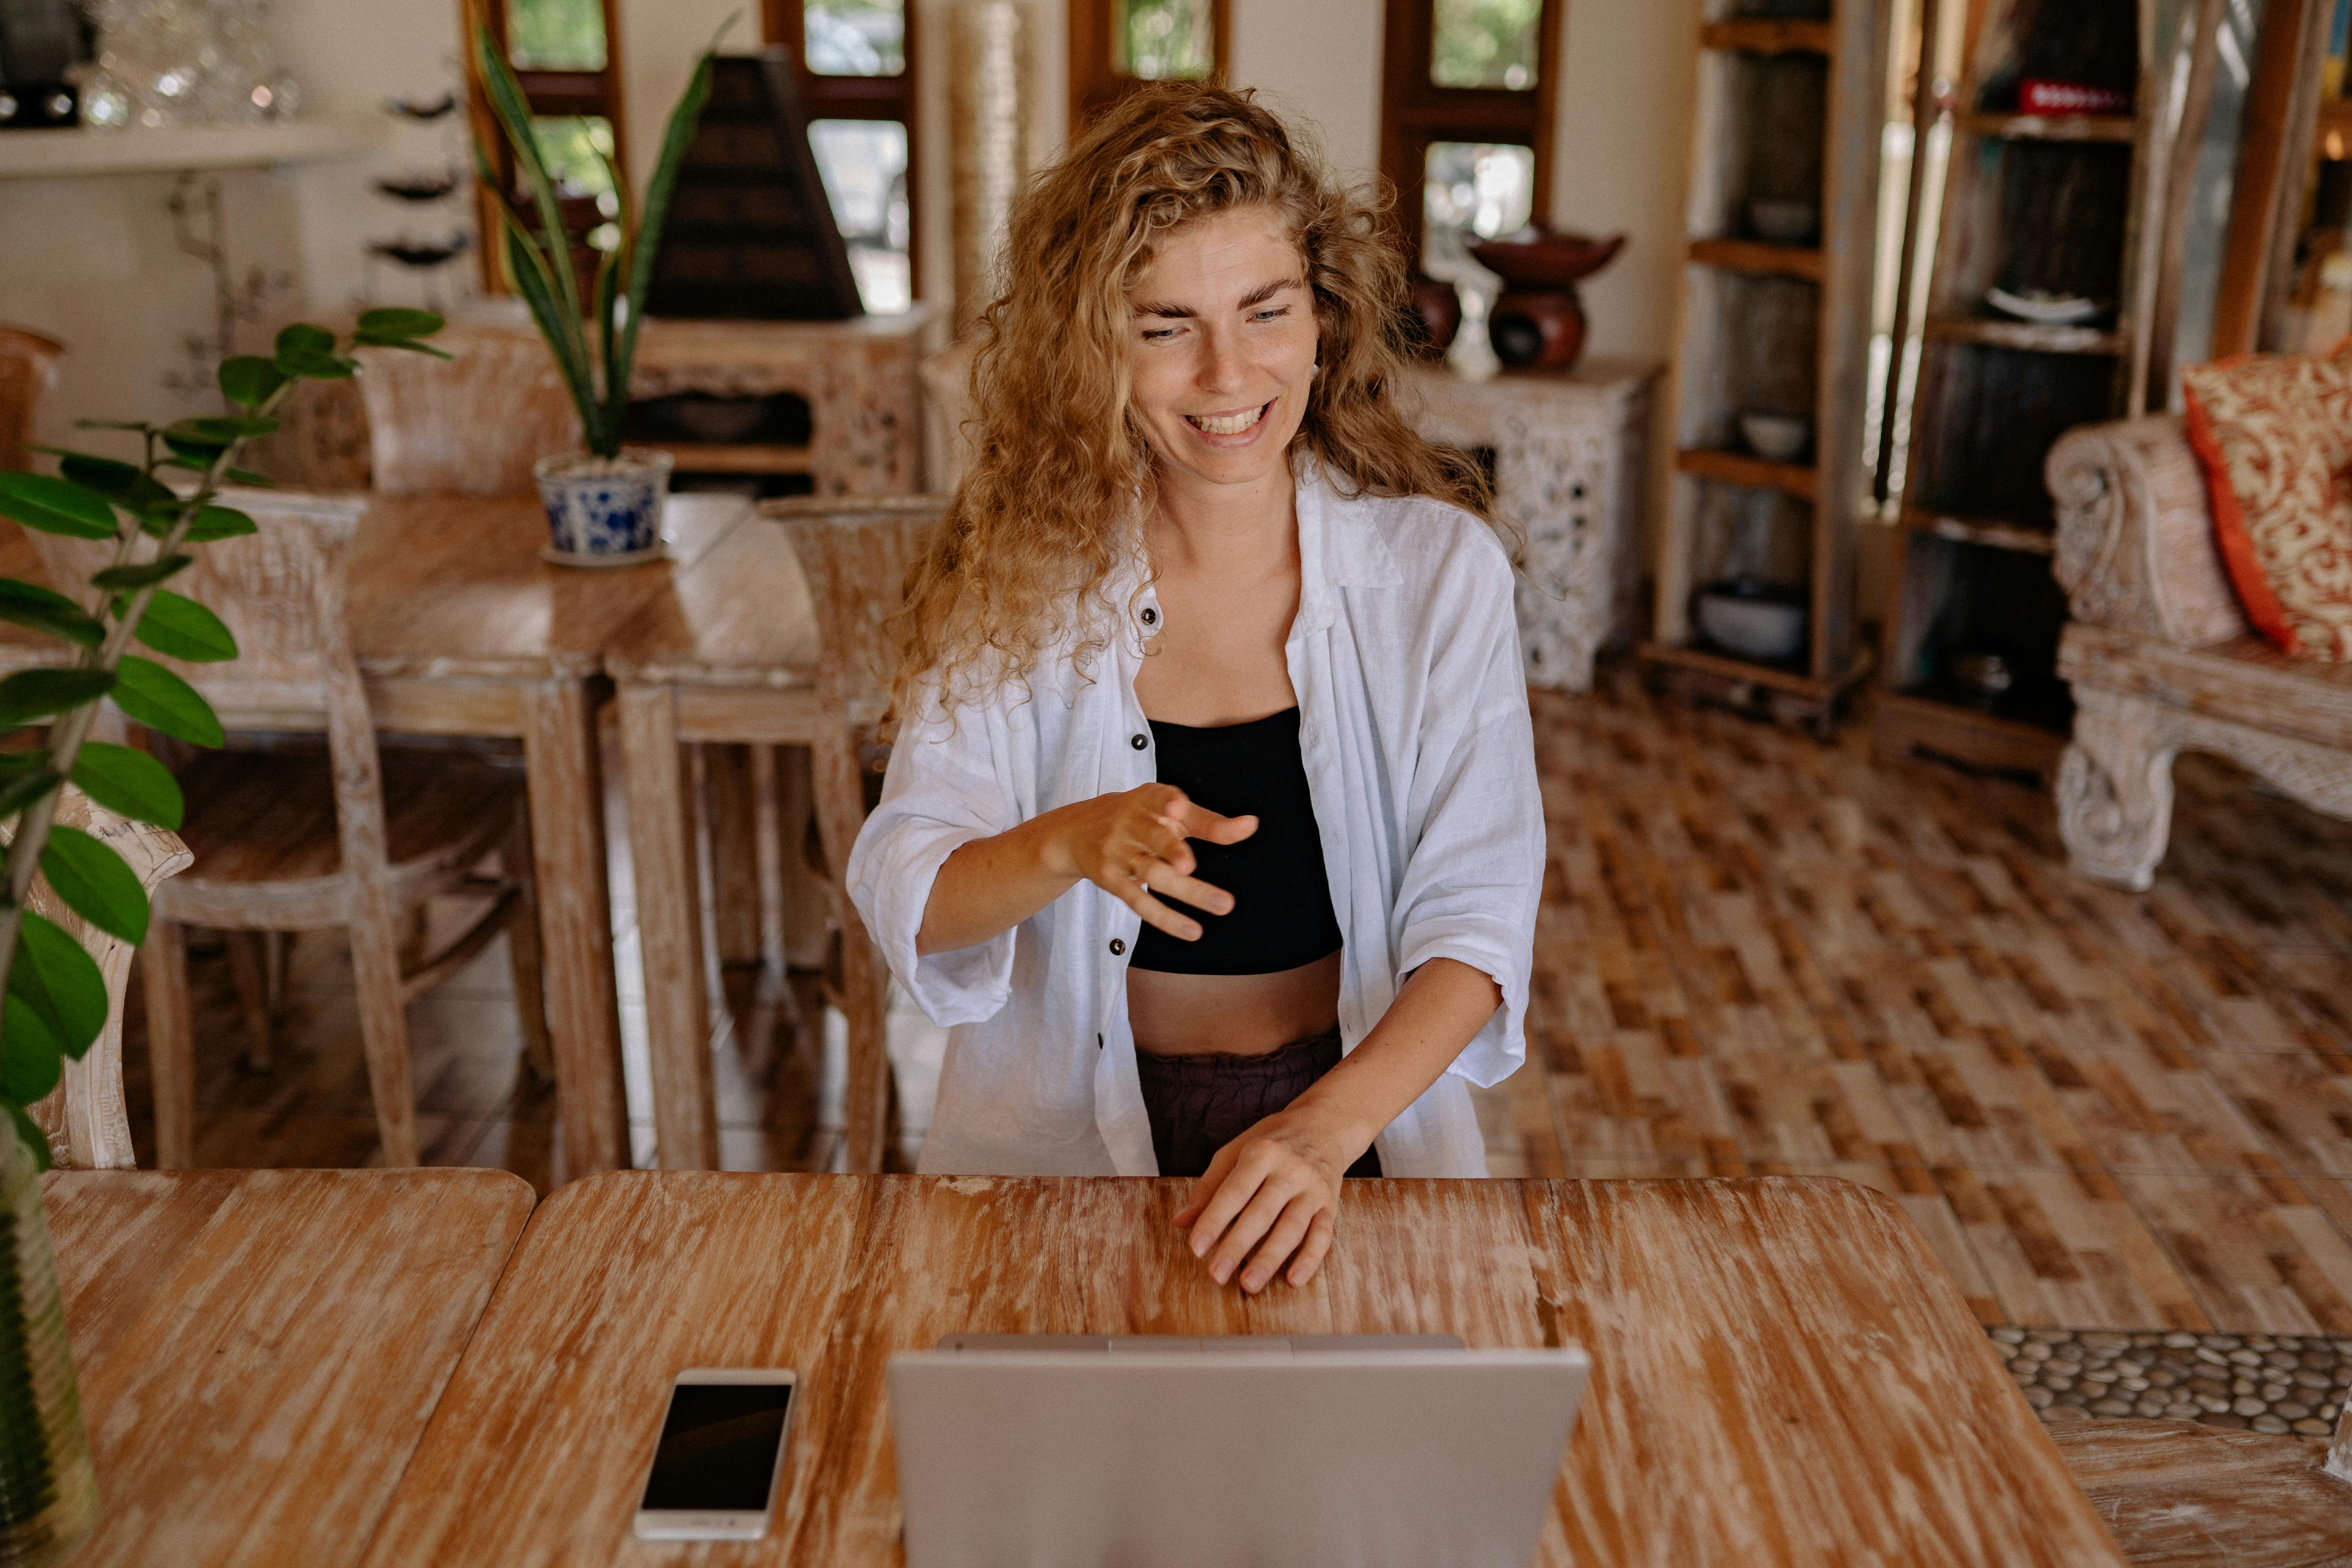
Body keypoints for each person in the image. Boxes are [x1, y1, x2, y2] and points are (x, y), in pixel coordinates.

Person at [847, 82, 1542, 1296]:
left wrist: (1326, 1133)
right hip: (1061, 1150)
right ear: (1095, 348)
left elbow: (1480, 924)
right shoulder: (1020, 577)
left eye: (1265, 311)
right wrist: (1067, 842)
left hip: (1350, 1129)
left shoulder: (1440, 574)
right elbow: (914, 894)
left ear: (1325, 317)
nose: (1228, 374)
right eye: (1166, 324)